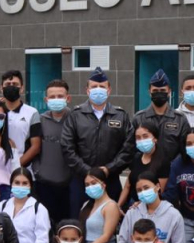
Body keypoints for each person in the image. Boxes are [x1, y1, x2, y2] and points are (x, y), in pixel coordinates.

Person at [61, 67, 133, 213]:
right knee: (79, 222)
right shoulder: (76, 115)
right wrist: (88, 171)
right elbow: (67, 147)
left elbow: (128, 148)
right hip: (81, 180)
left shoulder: (120, 115)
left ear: (109, 90)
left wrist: (109, 169)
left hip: (110, 179)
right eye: (94, 87)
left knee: (111, 221)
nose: (98, 90)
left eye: (102, 86)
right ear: (87, 90)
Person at [34, 79, 74, 225]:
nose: (56, 100)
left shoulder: (75, 119)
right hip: (45, 185)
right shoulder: (40, 120)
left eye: (60, 96)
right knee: (47, 224)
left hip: (69, 185)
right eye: (52, 97)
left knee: (68, 224)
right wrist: (38, 171)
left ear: (68, 98)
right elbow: (34, 149)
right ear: (46, 100)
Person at [131, 69, 189, 167]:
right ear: (149, 92)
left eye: (162, 90)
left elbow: (184, 149)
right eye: (155, 91)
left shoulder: (180, 119)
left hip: (172, 172)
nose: (159, 93)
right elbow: (131, 148)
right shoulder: (139, 118)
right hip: (145, 173)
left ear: (169, 92)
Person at [119, 122, 171, 208]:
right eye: (138, 138)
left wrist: (140, 204)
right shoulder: (136, 158)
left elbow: (159, 191)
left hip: (151, 206)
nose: (142, 140)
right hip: (133, 204)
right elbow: (127, 186)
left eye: (145, 136)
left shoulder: (163, 161)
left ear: (155, 138)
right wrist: (118, 206)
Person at [0, 69, 42, 167]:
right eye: (8, 84)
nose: (11, 86)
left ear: (22, 88)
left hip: (22, 171)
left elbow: (36, 146)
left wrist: (16, 166)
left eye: (15, 84)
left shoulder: (32, 112)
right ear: (1, 88)